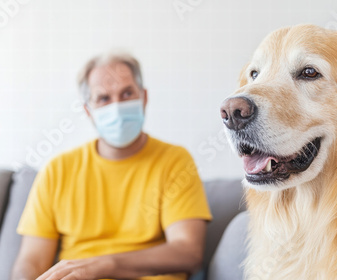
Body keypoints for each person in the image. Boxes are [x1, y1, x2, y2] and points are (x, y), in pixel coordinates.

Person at [11, 52, 213, 280]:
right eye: (104, 98)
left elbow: (188, 251)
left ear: (144, 97)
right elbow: (31, 261)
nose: (117, 106)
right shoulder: (58, 170)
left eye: (127, 93)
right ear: (88, 110)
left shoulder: (175, 160)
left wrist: (103, 265)